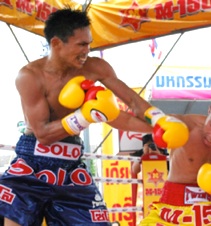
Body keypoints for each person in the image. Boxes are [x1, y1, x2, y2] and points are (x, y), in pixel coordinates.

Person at [0, 8, 185, 226]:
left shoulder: (95, 67)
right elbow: (42, 134)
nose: (87, 50)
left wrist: (158, 122)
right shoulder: (31, 76)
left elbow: (131, 102)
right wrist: (84, 116)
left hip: (71, 166)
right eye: (81, 44)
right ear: (57, 43)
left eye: (89, 43)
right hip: (32, 163)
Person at [139, 92, 211, 225]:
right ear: (209, 110)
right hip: (172, 207)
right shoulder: (184, 124)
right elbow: (130, 119)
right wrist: (111, 109)